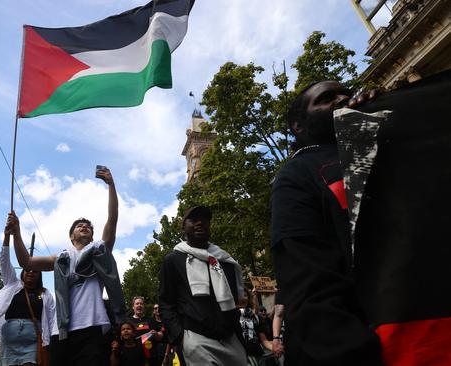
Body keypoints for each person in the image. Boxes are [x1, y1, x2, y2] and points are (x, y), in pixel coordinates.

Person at [270, 81, 382, 365]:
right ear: (298, 125)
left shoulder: (383, 141)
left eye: (347, 92)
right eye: (327, 98)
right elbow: (310, 286)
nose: (344, 98)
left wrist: (385, 115)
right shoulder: (296, 176)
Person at [12, 166, 125, 366]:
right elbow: (26, 262)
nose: (85, 227)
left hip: (93, 326)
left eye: (89, 227)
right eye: (79, 226)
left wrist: (111, 186)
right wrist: (17, 233)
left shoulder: (99, 254)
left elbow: (113, 220)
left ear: (92, 235)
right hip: (62, 331)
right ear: (71, 235)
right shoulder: (61, 258)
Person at [159, 205, 246, 366]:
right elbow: (166, 302)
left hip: (231, 339)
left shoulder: (225, 261)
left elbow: (233, 302)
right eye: (193, 219)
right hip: (196, 340)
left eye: (204, 220)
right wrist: (180, 337)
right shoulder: (173, 260)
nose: (200, 223)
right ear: (183, 225)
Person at [0, 214, 56, 366]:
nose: (30, 272)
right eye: (27, 269)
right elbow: (4, 260)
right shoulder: (12, 284)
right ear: (22, 272)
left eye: (34, 271)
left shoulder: (45, 294)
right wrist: (6, 237)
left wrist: (50, 341)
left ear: (39, 275)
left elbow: (51, 318)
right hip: (9, 340)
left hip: (32, 341)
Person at [130, 297, 162, 365]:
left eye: (141, 304)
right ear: (133, 307)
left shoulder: (151, 320)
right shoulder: (128, 322)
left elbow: (160, 335)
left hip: (152, 357)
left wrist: (156, 334)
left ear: (144, 307)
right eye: (137, 304)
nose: (139, 305)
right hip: (135, 357)